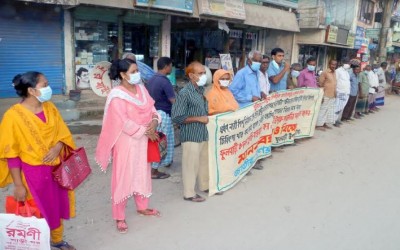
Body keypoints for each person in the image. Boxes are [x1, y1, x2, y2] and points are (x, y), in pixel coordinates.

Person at [0, 72, 77, 250]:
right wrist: (18, 185)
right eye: (45, 85)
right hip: (32, 175)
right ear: (31, 90)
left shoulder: (49, 108)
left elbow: (63, 134)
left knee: (56, 206)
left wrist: (58, 147)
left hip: (56, 170)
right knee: (36, 210)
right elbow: (11, 154)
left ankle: (56, 241)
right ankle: (36, 244)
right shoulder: (13, 117)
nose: (49, 88)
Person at [95, 58, 161, 234]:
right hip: (126, 141)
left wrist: (154, 122)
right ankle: (119, 216)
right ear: (123, 75)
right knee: (123, 176)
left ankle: (142, 207)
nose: (137, 74)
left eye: (136, 70)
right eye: (133, 72)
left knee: (142, 172)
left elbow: (152, 109)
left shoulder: (141, 89)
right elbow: (122, 121)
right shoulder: (116, 95)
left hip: (144, 139)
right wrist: (146, 131)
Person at [172, 61, 210, 202]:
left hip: (202, 133)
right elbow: (177, 117)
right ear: (191, 75)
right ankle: (189, 193)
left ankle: (204, 185)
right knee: (190, 165)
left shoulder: (201, 90)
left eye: (204, 73)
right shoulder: (185, 93)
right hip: (191, 134)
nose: (204, 76)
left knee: (203, 162)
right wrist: (198, 119)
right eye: (200, 73)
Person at [146, 57, 175, 179]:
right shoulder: (165, 81)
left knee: (156, 141)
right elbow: (173, 100)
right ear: (167, 66)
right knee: (162, 142)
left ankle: (161, 163)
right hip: (163, 114)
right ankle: (154, 170)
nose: (171, 68)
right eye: (171, 66)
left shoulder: (151, 79)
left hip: (153, 114)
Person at [315, 60, 337, 131]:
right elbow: (321, 84)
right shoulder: (325, 72)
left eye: (335, 65)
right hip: (325, 94)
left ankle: (324, 123)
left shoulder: (334, 72)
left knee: (329, 110)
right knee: (322, 109)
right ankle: (318, 125)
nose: (333, 66)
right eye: (332, 64)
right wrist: (322, 95)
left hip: (332, 94)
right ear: (329, 64)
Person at [333, 59, 351, 127]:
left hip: (346, 92)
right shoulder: (338, 71)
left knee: (342, 107)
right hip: (340, 92)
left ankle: (338, 119)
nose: (348, 64)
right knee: (337, 107)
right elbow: (336, 81)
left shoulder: (346, 71)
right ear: (342, 63)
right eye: (346, 63)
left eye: (348, 63)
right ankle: (334, 120)